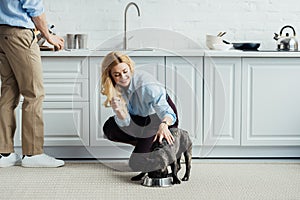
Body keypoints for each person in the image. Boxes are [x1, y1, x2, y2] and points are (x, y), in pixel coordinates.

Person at [0, 0, 65, 168]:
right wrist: (49, 36)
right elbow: (34, 8)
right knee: (34, 94)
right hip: (20, 35)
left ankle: (4, 153)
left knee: (8, 92)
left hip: (2, 33)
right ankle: (33, 153)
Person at [101, 51, 179, 176]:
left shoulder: (147, 85)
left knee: (136, 163)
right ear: (110, 76)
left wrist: (164, 124)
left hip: (159, 118)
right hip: (140, 119)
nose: (123, 77)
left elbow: (166, 111)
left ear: (130, 68)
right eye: (117, 75)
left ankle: (162, 156)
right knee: (109, 128)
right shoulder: (115, 88)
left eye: (125, 72)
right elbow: (125, 123)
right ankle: (151, 145)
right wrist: (120, 112)